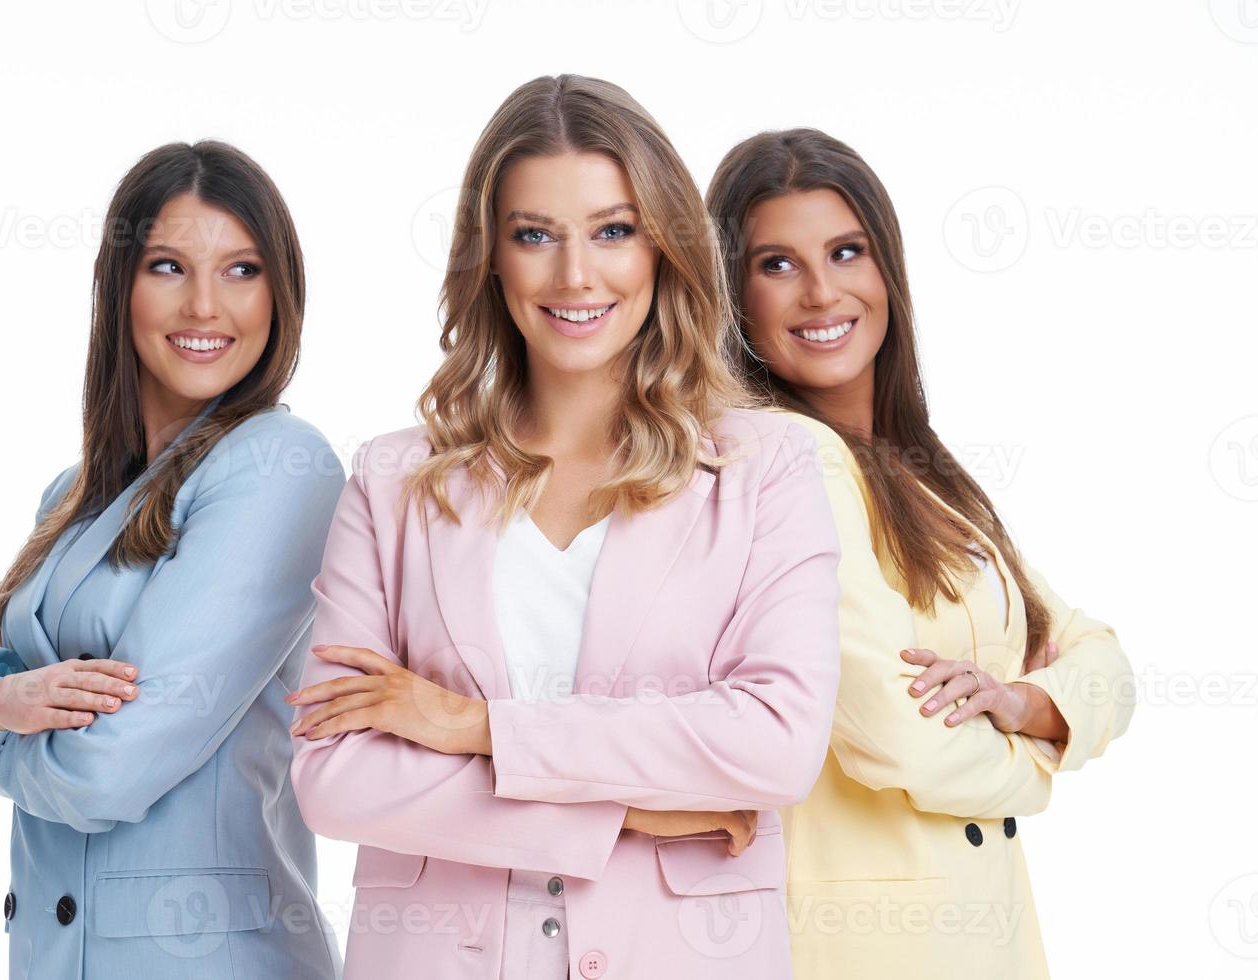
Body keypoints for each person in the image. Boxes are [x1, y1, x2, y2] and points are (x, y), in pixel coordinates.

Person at [286, 75, 842, 979]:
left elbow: (774, 746)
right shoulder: (392, 479)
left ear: (663, 247)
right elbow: (334, 777)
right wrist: (620, 812)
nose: (575, 274)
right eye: (534, 235)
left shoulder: (765, 467)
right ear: (491, 257)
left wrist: (475, 727)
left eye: (613, 231)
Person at [0, 140, 345, 979]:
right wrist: (0, 699)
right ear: (119, 288)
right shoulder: (74, 494)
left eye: (242, 270)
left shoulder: (279, 465)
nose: (206, 305)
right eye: (170, 265)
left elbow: (110, 771)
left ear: (281, 294)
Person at [706, 127, 1136, 979]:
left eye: (846, 251)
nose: (822, 293)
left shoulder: (919, 471)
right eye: (777, 265)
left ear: (887, 271)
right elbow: (898, 740)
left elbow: (1101, 653)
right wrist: (1042, 758)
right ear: (732, 296)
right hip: (874, 944)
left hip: (980, 935)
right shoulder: (790, 456)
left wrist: (1021, 701)